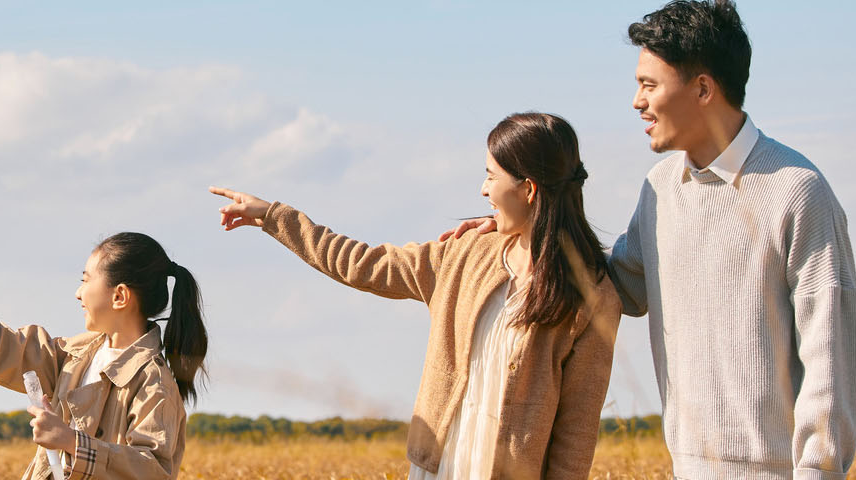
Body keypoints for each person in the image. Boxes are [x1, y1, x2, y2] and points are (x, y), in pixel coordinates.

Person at [442, 2, 856, 477]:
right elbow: (614, 286)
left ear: (703, 87)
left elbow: (831, 362)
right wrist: (524, 233)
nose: (637, 101)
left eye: (649, 85)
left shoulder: (797, 190)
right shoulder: (661, 188)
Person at [214, 112, 620, 479]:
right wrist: (274, 217)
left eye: (491, 176)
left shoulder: (591, 295)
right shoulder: (464, 254)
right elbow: (363, 264)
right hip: (438, 469)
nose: (482, 189)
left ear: (528, 189)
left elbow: (577, 429)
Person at [0, 232, 207, 479]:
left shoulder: (155, 384)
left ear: (119, 296)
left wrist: (73, 442)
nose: (78, 292)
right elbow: (9, 348)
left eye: (86, 280)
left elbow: (153, 471)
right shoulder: (75, 355)